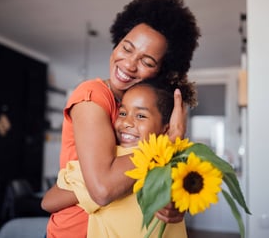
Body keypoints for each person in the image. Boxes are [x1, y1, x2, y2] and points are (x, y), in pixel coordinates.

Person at [42, 0, 200, 237]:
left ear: (161, 71)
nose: (129, 64)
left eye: (146, 61)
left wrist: (174, 203)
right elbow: (103, 189)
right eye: (127, 47)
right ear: (117, 42)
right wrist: (166, 144)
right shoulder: (92, 94)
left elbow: (152, 178)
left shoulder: (146, 115)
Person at [52, 81, 197, 238]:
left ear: (166, 128)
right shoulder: (178, 159)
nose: (127, 122)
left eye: (141, 116)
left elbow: (49, 201)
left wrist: (106, 185)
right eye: (122, 113)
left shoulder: (113, 161)